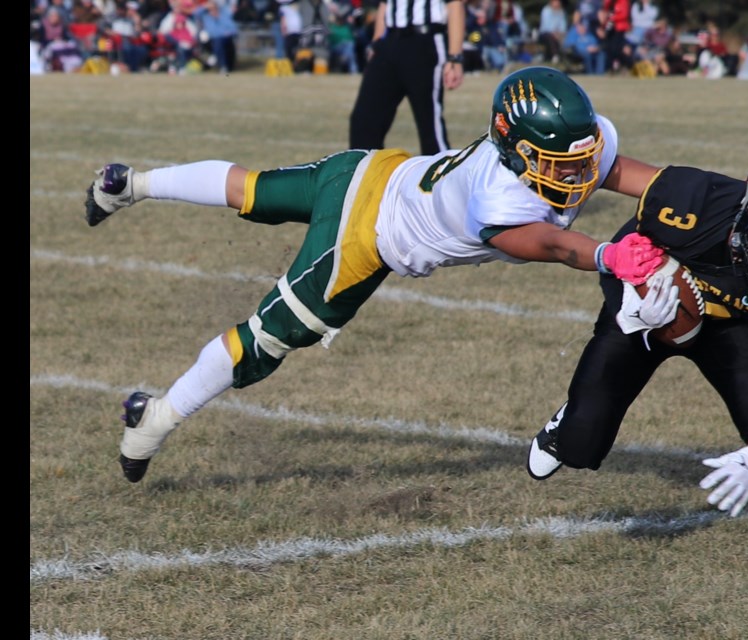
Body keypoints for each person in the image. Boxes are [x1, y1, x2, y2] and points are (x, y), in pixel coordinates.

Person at [82, 66, 668, 485]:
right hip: (366, 231)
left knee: (252, 187)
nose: (579, 171)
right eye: (559, 161)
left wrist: (715, 198)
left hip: (371, 168)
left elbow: (635, 176)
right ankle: (154, 420)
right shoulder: (498, 197)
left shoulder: (569, 152)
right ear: (516, 150)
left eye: (580, 157)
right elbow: (552, 244)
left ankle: (131, 184)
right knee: (268, 338)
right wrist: (604, 255)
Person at [527, 159, 748, 575]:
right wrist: (631, 308)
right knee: (581, 447)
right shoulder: (693, 200)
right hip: (649, 309)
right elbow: (622, 250)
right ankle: (563, 429)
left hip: (728, 325)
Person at [348, 0, 465, 157]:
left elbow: (454, 4)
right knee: (364, 121)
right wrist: (376, 42)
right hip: (389, 41)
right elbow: (384, 4)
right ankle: (365, 175)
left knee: (430, 125)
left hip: (425, 40)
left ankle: (443, 178)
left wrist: (455, 57)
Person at [194, 0, 239, 74]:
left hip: (226, 37)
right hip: (213, 39)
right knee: (218, 43)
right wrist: (204, 7)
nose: (212, 10)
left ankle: (229, 66)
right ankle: (222, 66)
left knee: (228, 45)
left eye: (214, 7)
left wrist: (228, 33)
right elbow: (196, 13)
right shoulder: (206, 15)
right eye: (210, 8)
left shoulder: (224, 13)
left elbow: (232, 28)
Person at [538, 0, 568, 65]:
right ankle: (555, 55)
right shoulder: (546, 11)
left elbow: (563, 26)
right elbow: (546, 26)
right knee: (550, 37)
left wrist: (560, 33)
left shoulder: (561, 12)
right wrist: (555, 33)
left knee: (563, 38)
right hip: (545, 34)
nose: (557, 3)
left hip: (557, 34)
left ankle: (562, 57)